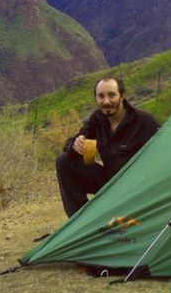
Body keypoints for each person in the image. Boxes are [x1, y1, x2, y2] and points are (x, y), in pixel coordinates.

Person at [55, 77, 160, 217]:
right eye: (101, 96)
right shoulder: (97, 119)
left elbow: (163, 154)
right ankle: (81, 222)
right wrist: (75, 144)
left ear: (122, 96)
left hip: (137, 187)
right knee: (64, 160)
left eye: (111, 95)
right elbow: (73, 141)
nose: (106, 101)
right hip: (110, 183)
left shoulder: (144, 121)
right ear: (96, 99)